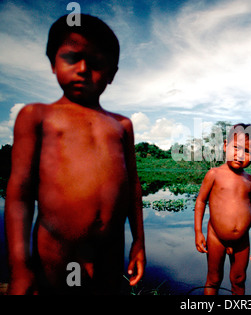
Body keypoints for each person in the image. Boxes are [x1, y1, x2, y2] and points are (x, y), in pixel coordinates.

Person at [5, 14, 146, 295]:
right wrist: (20, 268)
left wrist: (139, 242)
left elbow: (132, 186)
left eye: (95, 63)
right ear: (52, 62)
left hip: (110, 250)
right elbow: (20, 192)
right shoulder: (37, 116)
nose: (82, 69)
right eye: (72, 58)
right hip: (56, 249)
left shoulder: (122, 125)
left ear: (112, 73)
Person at [194, 123, 251, 295]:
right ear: (225, 145)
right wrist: (198, 232)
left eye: (247, 151)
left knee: (239, 279)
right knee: (213, 279)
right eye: (236, 148)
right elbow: (201, 201)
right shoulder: (214, 174)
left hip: (242, 241)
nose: (240, 155)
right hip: (216, 237)